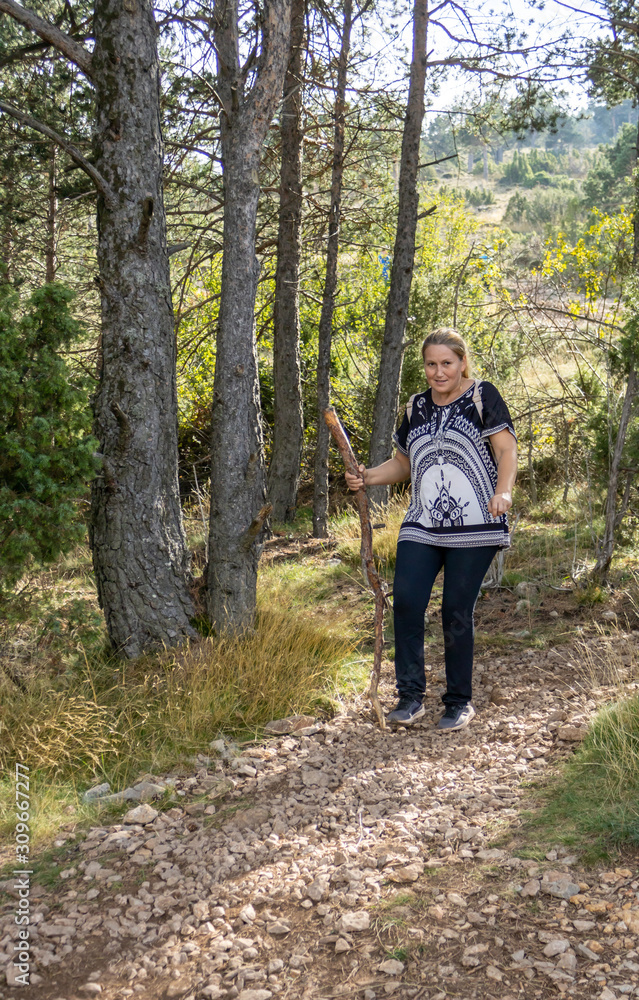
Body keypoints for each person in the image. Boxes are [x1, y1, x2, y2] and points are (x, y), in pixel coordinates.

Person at [346, 328, 518, 731]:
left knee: (456, 610)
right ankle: (410, 698)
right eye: (431, 364)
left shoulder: (482, 397)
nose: (438, 372)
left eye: (447, 363)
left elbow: (506, 450)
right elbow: (403, 464)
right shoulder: (416, 406)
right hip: (422, 522)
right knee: (406, 601)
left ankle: (458, 703)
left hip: (476, 524)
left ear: (461, 363)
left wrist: (504, 492)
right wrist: (368, 476)